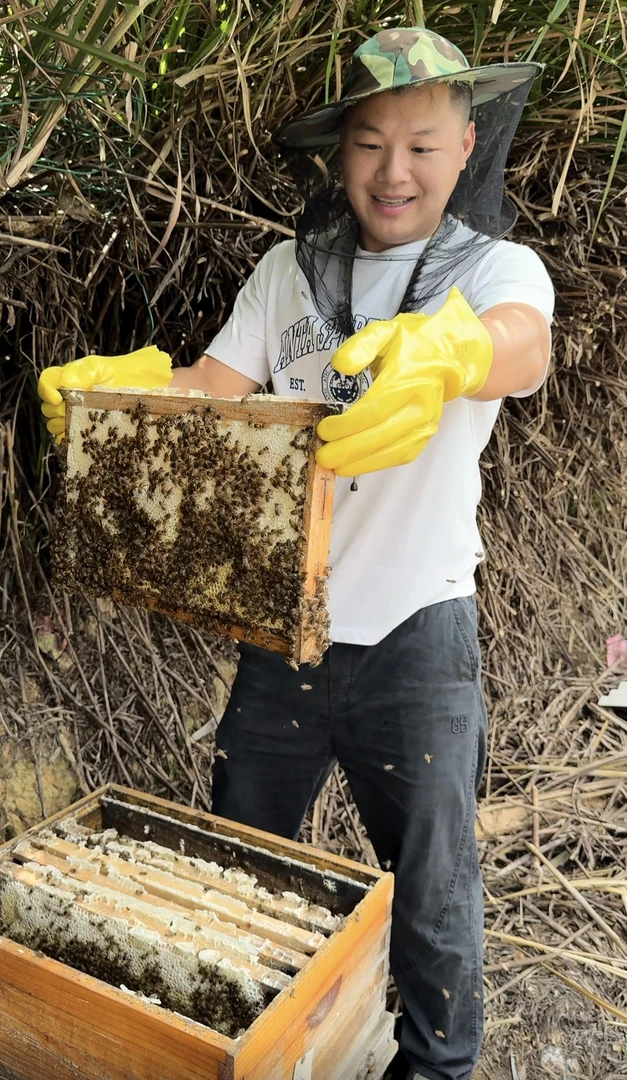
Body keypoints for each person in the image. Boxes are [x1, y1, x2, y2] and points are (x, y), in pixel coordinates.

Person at [38, 27, 555, 1080]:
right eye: (370, 143)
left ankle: (438, 1065)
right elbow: (210, 394)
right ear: (339, 155)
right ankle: (253, 1046)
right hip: (280, 629)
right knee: (238, 862)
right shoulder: (290, 273)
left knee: (434, 883)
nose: (394, 170)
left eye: (421, 143)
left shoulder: (496, 270)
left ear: (466, 148)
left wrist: (452, 350)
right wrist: (113, 400)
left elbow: (523, 345)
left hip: (418, 632)